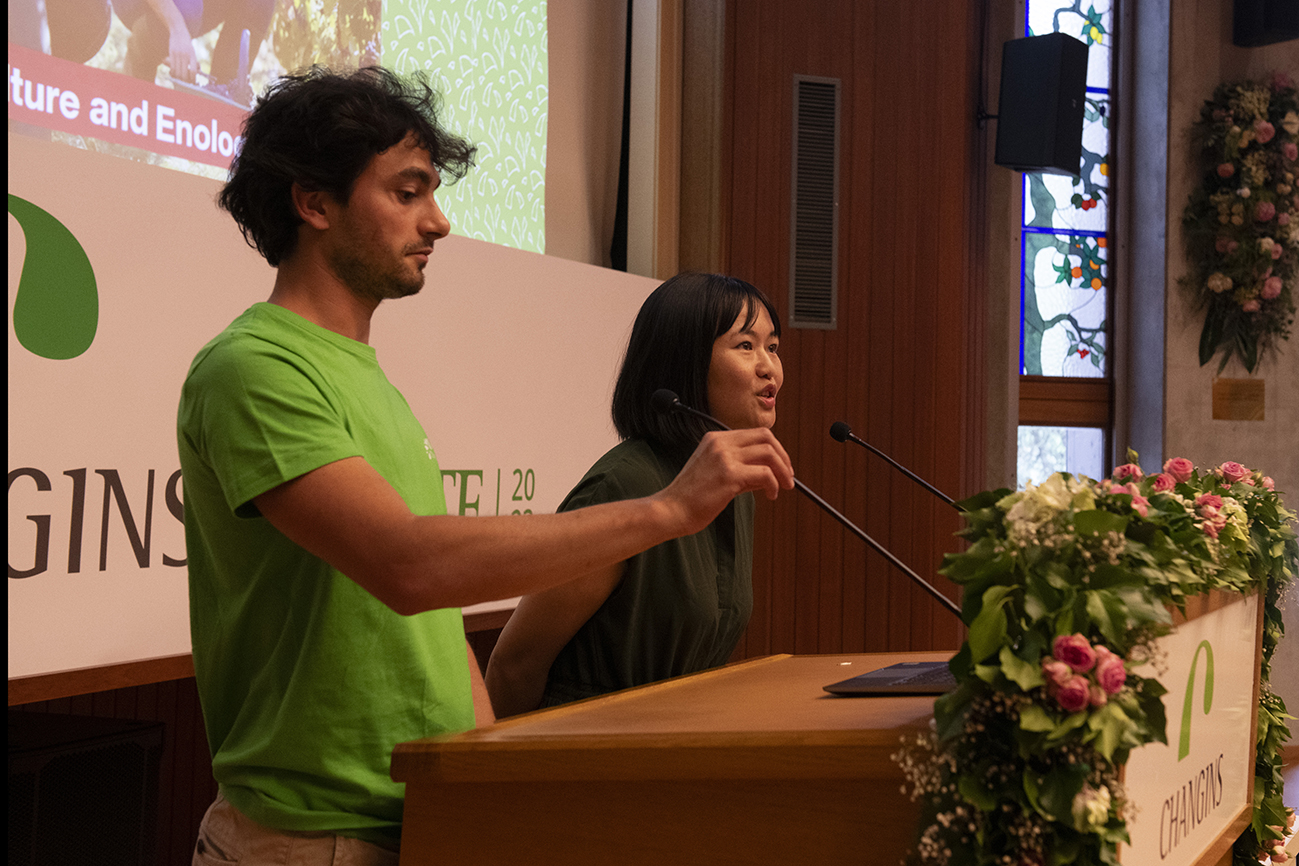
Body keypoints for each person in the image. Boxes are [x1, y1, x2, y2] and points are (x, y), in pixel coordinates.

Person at [177, 67, 794, 864]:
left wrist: (489, 781)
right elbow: (408, 567)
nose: (438, 222)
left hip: (427, 816)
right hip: (311, 833)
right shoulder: (254, 367)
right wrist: (667, 511)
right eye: (407, 193)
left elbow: (431, 622)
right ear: (315, 203)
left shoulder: (364, 377)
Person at [484, 274, 783, 717]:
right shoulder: (623, 486)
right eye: (745, 346)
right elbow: (515, 666)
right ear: (685, 361)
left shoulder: (732, 487)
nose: (768, 367)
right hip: (587, 752)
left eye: (772, 347)